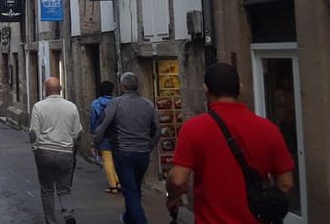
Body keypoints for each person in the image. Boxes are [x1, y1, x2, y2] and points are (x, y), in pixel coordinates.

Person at [165, 63, 295, 223]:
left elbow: (178, 180)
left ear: (206, 89)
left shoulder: (193, 129)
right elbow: (286, 184)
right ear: (240, 88)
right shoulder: (269, 129)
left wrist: (172, 197)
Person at [94, 72, 160, 224]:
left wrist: (96, 143)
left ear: (122, 86)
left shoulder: (116, 103)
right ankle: (128, 218)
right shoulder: (148, 104)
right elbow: (157, 129)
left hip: (123, 153)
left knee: (130, 192)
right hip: (142, 154)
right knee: (134, 188)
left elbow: (103, 125)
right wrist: (149, 145)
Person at [29, 77, 83, 224]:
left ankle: (51, 221)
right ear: (60, 89)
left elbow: (34, 134)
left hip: (45, 151)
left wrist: (36, 151)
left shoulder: (38, 107)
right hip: (65, 152)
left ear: (45, 89)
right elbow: (77, 133)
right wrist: (73, 150)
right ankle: (69, 214)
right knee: (64, 188)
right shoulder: (71, 106)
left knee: (47, 190)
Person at [90, 81, 121, 194]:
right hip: (117, 134)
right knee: (117, 159)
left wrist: (94, 135)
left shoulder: (96, 103)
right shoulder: (117, 102)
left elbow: (93, 121)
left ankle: (113, 185)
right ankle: (119, 182)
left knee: (107, 160)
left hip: (104, 135)